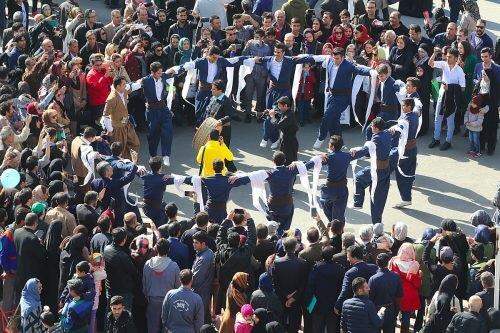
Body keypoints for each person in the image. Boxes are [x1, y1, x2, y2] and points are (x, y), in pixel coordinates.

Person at [313, 47, 373, 148]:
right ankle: (338, 144)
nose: (335, 60)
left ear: (342, 57)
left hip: (343, 98)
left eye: (337, 59)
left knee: (327, 117)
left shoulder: (348, 65)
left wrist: (372, 71)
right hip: (332, 96)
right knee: (334, 120)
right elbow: (314, 58)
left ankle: (321, 136)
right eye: (334, 58)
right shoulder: (330, 62)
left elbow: (360, 70)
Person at [350, 117, 392, 224]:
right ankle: (377, 224)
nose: (371, 127)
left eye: (372, 126)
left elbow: (365, 151)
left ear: (377, 128)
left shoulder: (377, 138)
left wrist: (353, 154)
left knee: (359, 178)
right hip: (385, 169)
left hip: (377, 170)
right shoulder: (387, 133)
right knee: (378, 198)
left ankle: (358, 203)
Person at [428, 47, 465, 151]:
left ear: (456, 58)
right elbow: (430, 64)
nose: (447, 58)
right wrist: (434, 53)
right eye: (447, 56)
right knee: (437, 117)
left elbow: (463, 88)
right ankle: (436, 139)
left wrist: (451, 87)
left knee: (450, 120)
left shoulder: (460, 71)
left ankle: (448, 141)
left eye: (450, 57)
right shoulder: (444, 64)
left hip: (452, 98)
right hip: (441, 94)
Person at [271, 236, 309, 333]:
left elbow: (275, 283)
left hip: (282, 299)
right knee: (294, 326)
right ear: (296, 247)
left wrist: (285, 295)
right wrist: (293, 297)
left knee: (282, 325)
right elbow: (303, 284)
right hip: (297, 301)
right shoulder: (303, 263)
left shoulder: (277, 263)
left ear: (283, 247)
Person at [305, 245, 345, 333]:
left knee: (317, 328)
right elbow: (342, 287)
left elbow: (310, 287)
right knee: (332, 328)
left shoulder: (316, 267)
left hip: (317, 304)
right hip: (333, 305)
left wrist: (310, 305)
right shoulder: (339, 268)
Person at [388, 98, 419, 208]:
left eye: (404, 105)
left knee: (401, 175)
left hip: (405, 150)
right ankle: (407, 197)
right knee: (410, 173)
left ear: (409, 106)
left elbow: (401, 127)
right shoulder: (415, 115)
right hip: (413, 148)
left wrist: (393, 129)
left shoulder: (406, 119)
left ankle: (406, 198)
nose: (402, 107)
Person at [102, 76, 140, 161]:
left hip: (127, 125)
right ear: (118, 86)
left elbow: (132, 87)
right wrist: (110, 130)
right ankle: (122, 167)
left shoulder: (124, 90)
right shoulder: (111, 99)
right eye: (124, 84)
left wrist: (141, 82)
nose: (126, 85)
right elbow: (106, 116)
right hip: (117, 129)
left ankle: (130, 162)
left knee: (135, 143)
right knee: (119, 150)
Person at [335, 244, 378, 314]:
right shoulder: (374, 268)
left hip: (356, 308)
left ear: (354, 257)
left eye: (348, 257)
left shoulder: (349, 273)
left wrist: (337, 305)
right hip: (372, 305)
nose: (347, 259)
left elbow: (345, 291)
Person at [14, 212, 47, 301]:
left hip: (19, 269)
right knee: (29, 298)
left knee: (20, 296)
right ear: (35, 223)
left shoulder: (17, 231)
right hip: (29, 273)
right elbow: (42, 255)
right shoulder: (32, 238)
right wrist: (40, 244)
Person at [103, 227, 138, 311]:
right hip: (123, 292)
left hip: (110, 287)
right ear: (124, 240)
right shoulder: (123, 256)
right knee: (124, 316)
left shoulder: (106, 249)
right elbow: (133, 272)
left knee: (110, 313)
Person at [473, 47, 500, 155]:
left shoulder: (497, 68)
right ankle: (482, 144)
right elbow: (475, 79)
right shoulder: (478, 66)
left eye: (486, 56)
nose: (484, 59)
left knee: (492, 125)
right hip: (481, 98)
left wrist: (490, 80)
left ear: (491, 56)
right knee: (481, 123)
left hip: (492, 100)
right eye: (482, 56)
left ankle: (491, 148)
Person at [197, 80, 236, 146]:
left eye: (214, 89)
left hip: (223, 132)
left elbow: (230, 115)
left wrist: (220, 121)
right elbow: (207, 112)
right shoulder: (212, 98)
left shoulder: (226, 101)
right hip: (211, 130)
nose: (211, 90)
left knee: (221, 153)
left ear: (220, 90)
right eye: (212, 88)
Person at [191, 231, 215, 324]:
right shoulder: (207, 253)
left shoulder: (204, 259)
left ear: (203, 244)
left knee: (200, 322)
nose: (193, 244)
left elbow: (196, 279)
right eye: (193, 242)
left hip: (200, 293)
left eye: (196, 242)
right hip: (203, 293)